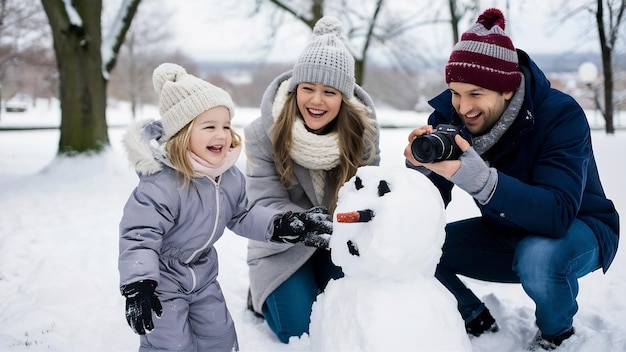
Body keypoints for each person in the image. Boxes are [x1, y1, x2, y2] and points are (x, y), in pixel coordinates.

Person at [404, 8, 619, 351]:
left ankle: (555, 335)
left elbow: (558, 213)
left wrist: (481, 180)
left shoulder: (560, 115)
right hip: (504, 231)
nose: (462, 107)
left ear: (507, 90)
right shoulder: (449, 116)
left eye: (476, 94)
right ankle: (474, 316)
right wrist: (420, 171)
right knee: (413, 248)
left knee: (539, 256)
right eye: (455, 92)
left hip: (580, 228)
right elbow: (425, 208)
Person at [118, 63, 334, 352]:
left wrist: (281, 224)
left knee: (219, 338)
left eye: (225, 125)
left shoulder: (227, 176)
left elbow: (243, 214)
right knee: (171, 345)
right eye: (209, 127)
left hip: (203, 277)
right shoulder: (161, 185)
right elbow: (138, 235)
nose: (221, 135)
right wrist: (139, 283)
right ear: (182, 133)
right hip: (162, 282)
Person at [243, 16, 381, 343]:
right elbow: (261, 202)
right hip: (282, 246)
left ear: (343, 98)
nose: (316, 101)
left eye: (329, 92)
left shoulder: (363, 136)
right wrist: (301, 222)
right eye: (308, 88)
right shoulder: (263, 133)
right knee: (300, 332)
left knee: (352, 317)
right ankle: (261, 295)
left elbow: (369, 195)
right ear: (295, 89)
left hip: (339, 242)